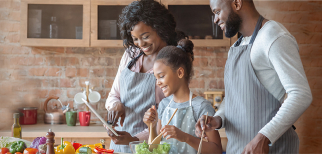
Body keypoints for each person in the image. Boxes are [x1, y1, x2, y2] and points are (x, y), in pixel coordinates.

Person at [195, 0, 312, 153]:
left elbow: (301, 94)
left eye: (217, 12)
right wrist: (218, 119)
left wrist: (264, 137)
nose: (215, 19)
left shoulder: (273, 36)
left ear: (237, 4)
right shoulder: (235, 48)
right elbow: (233, 99)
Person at [104, 0, 186, 152]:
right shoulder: (131, 55)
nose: (140, 43)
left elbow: (169, 120)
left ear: (160, 29)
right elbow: (113, 95)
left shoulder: (172, 61)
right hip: (118, 145)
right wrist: (115, 105)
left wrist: (134, 140)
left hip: (148, 147)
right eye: (135, 38)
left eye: (145, 36)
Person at [144, 39, 222, 154]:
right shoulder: (164, 105)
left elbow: (216, 150)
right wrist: (151, 126)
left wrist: (184, 137)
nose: (157, 82)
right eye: (156, 78)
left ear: (180, 73)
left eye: (161, 76)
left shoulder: (201, 107)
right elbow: (155, 149)